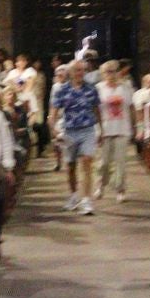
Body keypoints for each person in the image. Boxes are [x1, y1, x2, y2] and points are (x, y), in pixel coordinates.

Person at [51, 58, 101, 215]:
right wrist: (55, 132)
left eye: (82, 70)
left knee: (87, 162)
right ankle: (74, 195)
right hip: (69, 131)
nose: (80, 73)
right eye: (77, 70)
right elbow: (52, 114)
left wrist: (102, 129)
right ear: (70, 73)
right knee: (71, 166)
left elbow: (96, 110)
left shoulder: (91, 89)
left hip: (87, 130)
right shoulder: (62, 90)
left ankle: (86, 200)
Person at [94, 60, 134, 202]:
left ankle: (120, 189)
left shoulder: (125, 87)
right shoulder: (98, 88)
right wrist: (98, 129)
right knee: (104, 162)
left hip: (122, 128)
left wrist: (135, 127)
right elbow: (95, 110)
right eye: (107, 72)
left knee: (121, 162)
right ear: (103, 74)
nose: (111, 74)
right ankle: (101, 184)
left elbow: (130, 107)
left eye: (113, 71)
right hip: (105, 129)